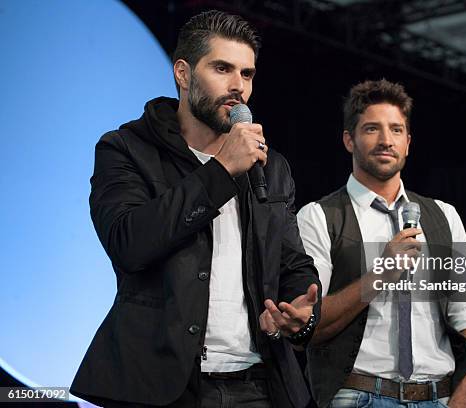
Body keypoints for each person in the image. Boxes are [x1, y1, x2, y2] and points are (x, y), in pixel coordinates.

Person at [70, 10, 321, 408]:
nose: (238, 86)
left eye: (247, 74)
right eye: (222, 68)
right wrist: (221, 171)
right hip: (164, 386)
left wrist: (302, 311)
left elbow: (291, 261)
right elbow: (129, 243)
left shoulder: (270, 166)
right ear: (183, 74)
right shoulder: (126, 149)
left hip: (258, 384)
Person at [297, 79, 466, 408]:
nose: (386, 140)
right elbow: (309, 323)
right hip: (358, 396)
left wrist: (464, 397)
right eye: (372, 129)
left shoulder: (443, 215)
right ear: (348, 140)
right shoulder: (318, 216)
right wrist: (380, 274)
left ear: (408, 142)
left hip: (438, 397)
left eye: (396, 130)